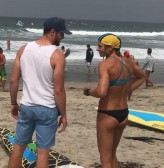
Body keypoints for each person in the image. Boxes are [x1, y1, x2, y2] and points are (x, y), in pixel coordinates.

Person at [8, 17, 71, 168]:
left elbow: (13, 81)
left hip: (27, 106)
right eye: (62, 33)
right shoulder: (57, 56)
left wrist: (13, 103)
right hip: (47, 109)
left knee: (18, 147)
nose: (62, 37)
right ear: (53, 32)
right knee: (42, 152)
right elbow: (58, 90)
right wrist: (64, 114)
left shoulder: (23, 49)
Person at [83, 33, 146, 167]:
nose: (97, 49)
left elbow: (101, 92)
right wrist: (129, 89)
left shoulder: (105, 65)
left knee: (105, 159)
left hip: (107, 114)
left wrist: (89, 92)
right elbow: (143, 77)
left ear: (110, 48)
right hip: (123, 114)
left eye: (100, 46)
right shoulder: (129, 62)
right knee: (112, 155)